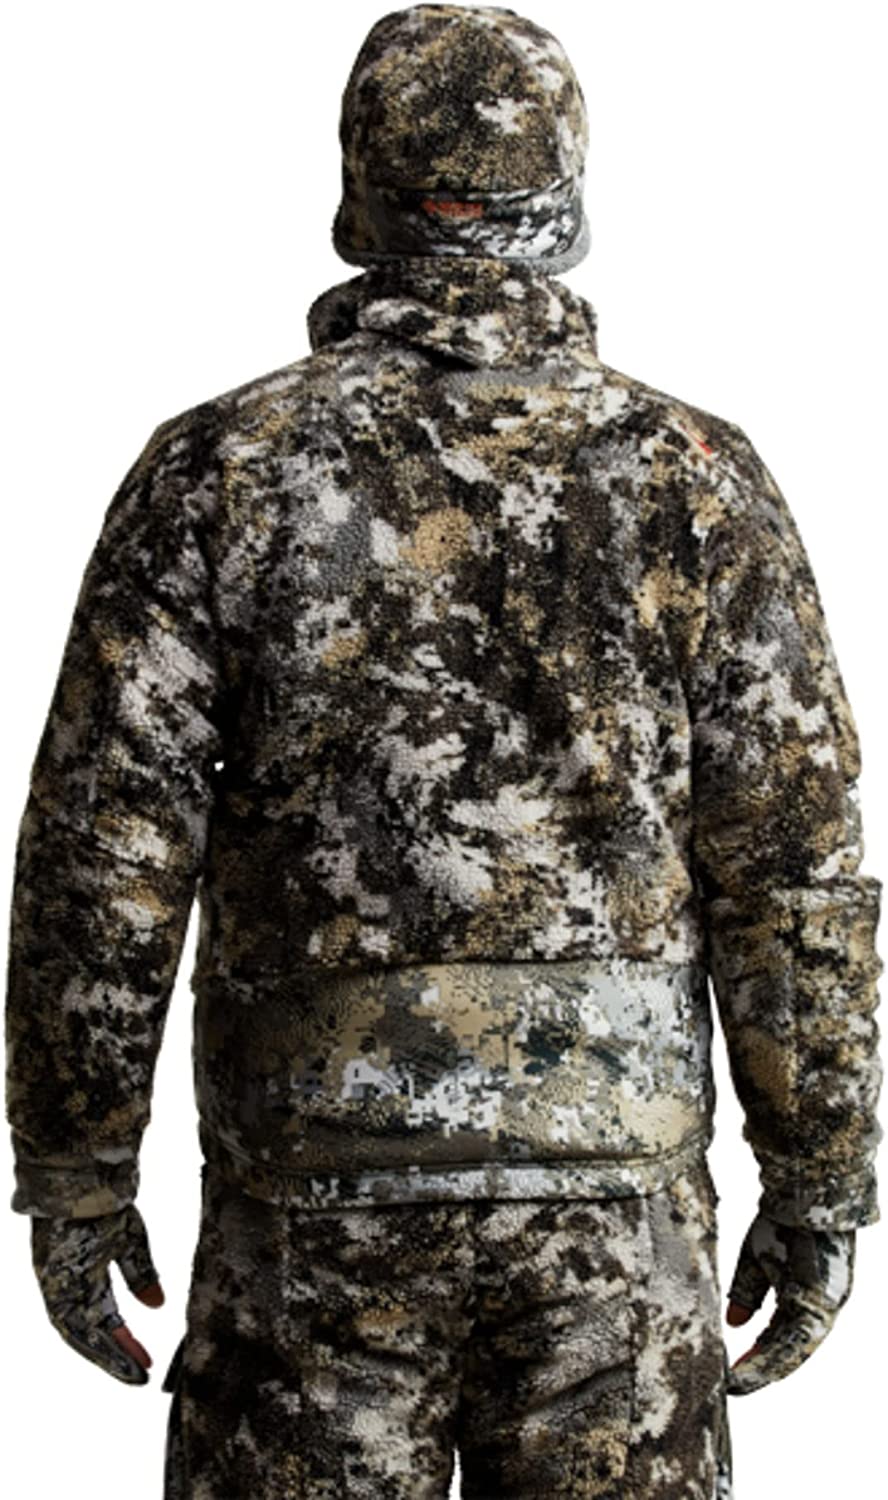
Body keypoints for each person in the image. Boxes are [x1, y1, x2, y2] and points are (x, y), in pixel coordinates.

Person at [5, 3, 883, 1496]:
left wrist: (76, 1170)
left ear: (361, 195)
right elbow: (792, 863)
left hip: (314, 1203)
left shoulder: (221, 470)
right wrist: (818, 1175)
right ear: (568, 200)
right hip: (615, 1215)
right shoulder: (696, 480)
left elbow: (107, 851)